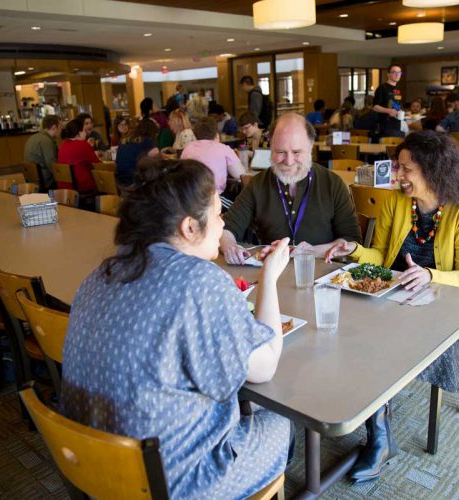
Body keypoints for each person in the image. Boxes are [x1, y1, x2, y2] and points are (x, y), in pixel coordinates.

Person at [61, 158, 291, 499]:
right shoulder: (200, 282)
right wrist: (269, 278)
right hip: (169, 483)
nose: (222, 220)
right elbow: (266, 364)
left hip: (95, 470)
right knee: (281, 424)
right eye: (216, 213)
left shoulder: (101, 274)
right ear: (188, 228)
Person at [324, 130, 459, 484]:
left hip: (438, 309)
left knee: (372, 344)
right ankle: (375, 426)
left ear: (432, 169)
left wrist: (428, 274)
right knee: (345, 330)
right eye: (399, 167)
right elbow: (381, 257)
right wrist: (353, 249)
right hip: (391, 295)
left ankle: (378, 438)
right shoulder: (397, 201)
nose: (398, 176)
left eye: (406, 169)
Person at [220, 113, 361, 263]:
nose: (288, 161)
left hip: (323, 275)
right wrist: (230, 247)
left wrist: (312, 252)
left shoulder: (333, 184)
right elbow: (226, 228)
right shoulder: (258, 184)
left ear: (311, 146)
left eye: (296, 152)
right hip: (273, 274)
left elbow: (351, 240)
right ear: (271, 147)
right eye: (280, 152)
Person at [180, 117, 245, 204]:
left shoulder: (187, 148)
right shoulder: (223, 149)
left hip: (190, 198)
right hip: (213, 198)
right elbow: (239, 174)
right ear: (216, 134)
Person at [57, 117, 100, 196]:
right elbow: (97, 165)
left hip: (65, 188)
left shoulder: (63, 145)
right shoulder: (83, 145)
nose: (86, 133)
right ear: (78, 133)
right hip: (81, 187)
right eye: (84, 130)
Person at [115, 117, 160, 186]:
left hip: (121, 183)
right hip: (135, 183)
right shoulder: (146, 140)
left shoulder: (124, 140)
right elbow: (156, 154)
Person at [23, 114, 60, 191]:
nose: (61, 130)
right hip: (44, 181)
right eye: (60, 127)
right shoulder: (47, 141)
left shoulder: (33, 137)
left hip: (32, 179)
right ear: (54, 127)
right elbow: (52, 166)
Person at [373, 64, 404, 137]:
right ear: (388, 74)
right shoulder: (382, 88)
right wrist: (389, 111)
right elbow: (375, 107)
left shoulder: (397, 89)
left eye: (399, 72)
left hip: (396, 123)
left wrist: (402, 112)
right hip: (385, 124)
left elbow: (395, 105)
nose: (397, 75)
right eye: (394, 72)